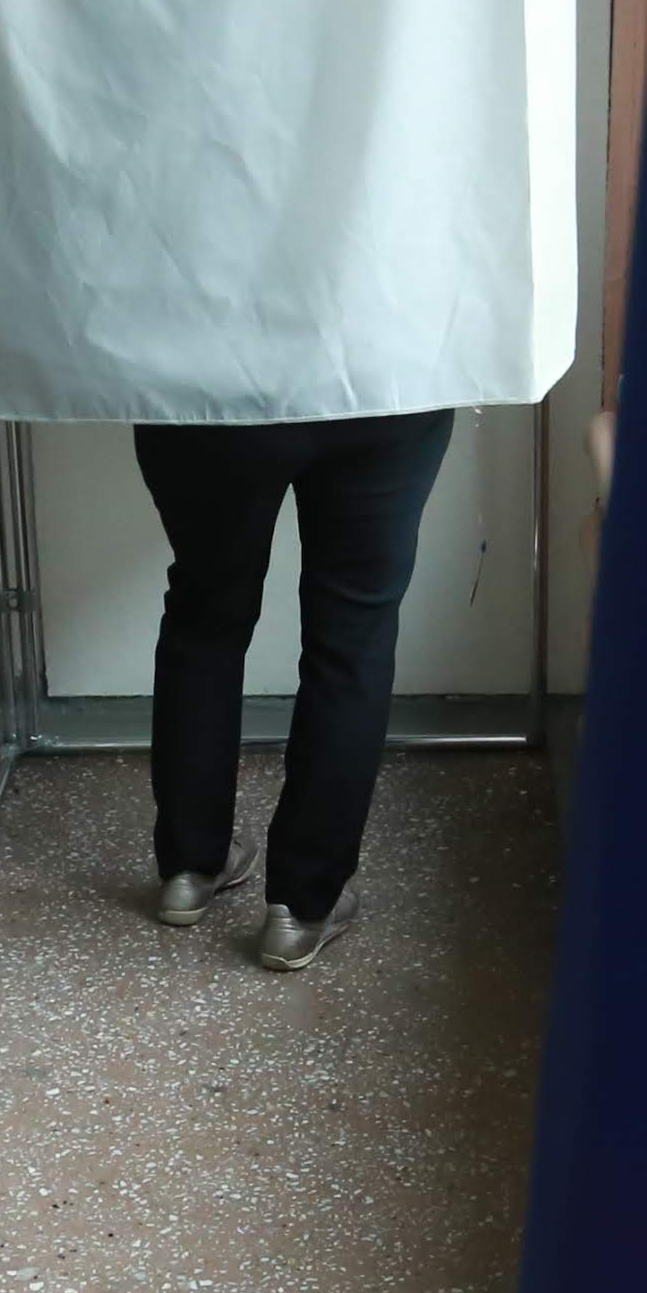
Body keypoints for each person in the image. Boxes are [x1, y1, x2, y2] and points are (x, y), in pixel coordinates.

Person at [129, 409, 457, 969]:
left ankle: (189, 869)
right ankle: (302, 908)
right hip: (382, 393)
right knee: (352, 640)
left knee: (204, 617)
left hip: (210, 394)